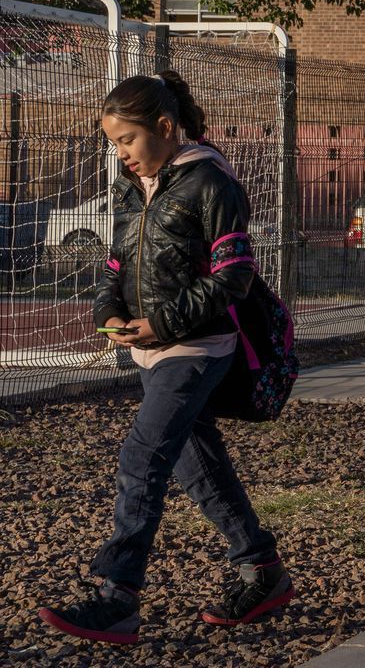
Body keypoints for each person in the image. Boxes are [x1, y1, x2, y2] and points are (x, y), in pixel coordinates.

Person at [40, 74, 287, 644]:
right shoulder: (134, 189)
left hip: (198, 348)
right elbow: (114, 267)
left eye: (127, 140)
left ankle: (116, 597)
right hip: (151, 352)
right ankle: (262, 570)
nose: (120, 153)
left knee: (141, 460)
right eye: (114, 143)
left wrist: (164, 323)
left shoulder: (210, 181)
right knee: (196, 466)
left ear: (165, 129)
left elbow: (235, 275)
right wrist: (109, 315)